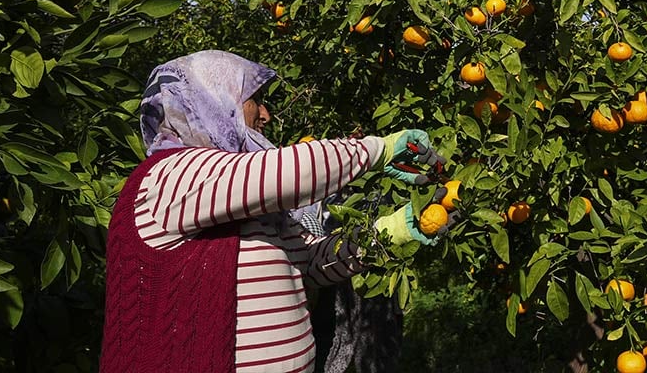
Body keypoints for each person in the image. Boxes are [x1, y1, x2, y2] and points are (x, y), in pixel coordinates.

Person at [100, 50, 454, 373]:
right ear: (210, 101)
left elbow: (313, 262)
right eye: (254, 101)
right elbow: (290, 172)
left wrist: (395, 231)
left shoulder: (242, 200)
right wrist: (380, 149)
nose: (266, 115)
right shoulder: (167, 176)